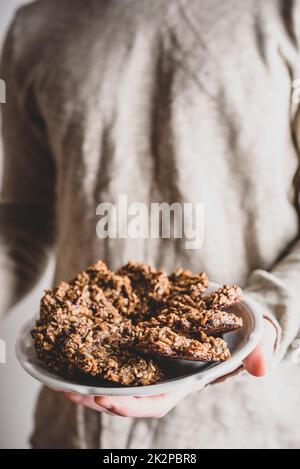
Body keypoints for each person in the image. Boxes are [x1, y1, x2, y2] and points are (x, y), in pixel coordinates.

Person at [0, 0, 300, 449]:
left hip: (242, 424)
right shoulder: (36, 27)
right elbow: (24, 216)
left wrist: (269, 315)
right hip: (73, 423)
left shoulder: (287, 16)